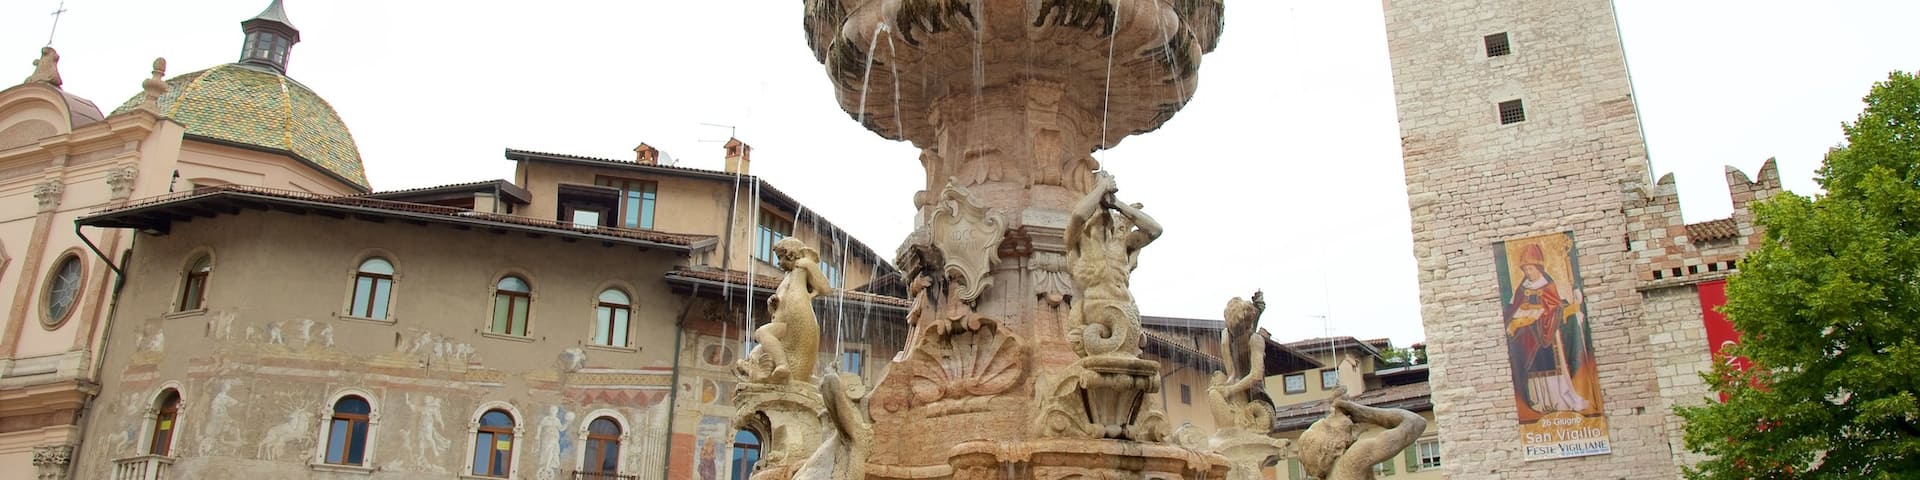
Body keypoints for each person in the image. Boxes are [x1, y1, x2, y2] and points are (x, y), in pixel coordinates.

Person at [1064, 172, 1162, 357]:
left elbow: (1155, 230)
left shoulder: (1122, 245)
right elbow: (1077, 216)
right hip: (1096, 317)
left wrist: (1116, 203)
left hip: (1128, 313)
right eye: (1095, 208)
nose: (1102, 210)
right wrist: (1101, 188)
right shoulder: (1077, 244)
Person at [1503, 244, 1590, 414]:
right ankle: (1539, 400)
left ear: (1539, 268)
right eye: (1526, 269)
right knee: (1534, 369)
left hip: (1547, 333)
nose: (1529, 272)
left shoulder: (1548, 285)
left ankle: (1558, 399)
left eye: (1531, 268)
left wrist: (1541, 313)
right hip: (1528, 335)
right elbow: (1513, 308)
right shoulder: (1522, 288)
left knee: (1552, 364)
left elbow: (1555, 306)